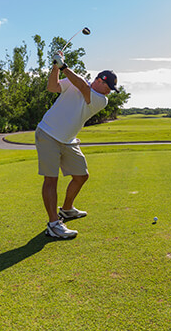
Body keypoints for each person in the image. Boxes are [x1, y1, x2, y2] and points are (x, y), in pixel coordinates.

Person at [35, 51, 118, 239]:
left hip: (68, 140)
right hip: (48, 133)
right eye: (109, 87)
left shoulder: (101, 100)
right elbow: (52, 87)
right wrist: (56, 68)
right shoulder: (76, 82)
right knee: (51, 180)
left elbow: (81, 85)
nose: (109, 92)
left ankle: (66, 209)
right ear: (100, 80)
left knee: (81, 175)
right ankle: (54, 224)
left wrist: (63, 65)